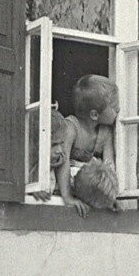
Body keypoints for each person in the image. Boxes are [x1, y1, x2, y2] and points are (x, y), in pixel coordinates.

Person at [31, 74, 119, 216]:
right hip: (66, 182)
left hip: (86, 185)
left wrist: (109, 195)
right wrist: (67, 197)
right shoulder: (71, 128)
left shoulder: (106, 133)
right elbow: (63, 163)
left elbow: (109, 168)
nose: (119, 109)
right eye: (114, 107)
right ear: (95, 115)